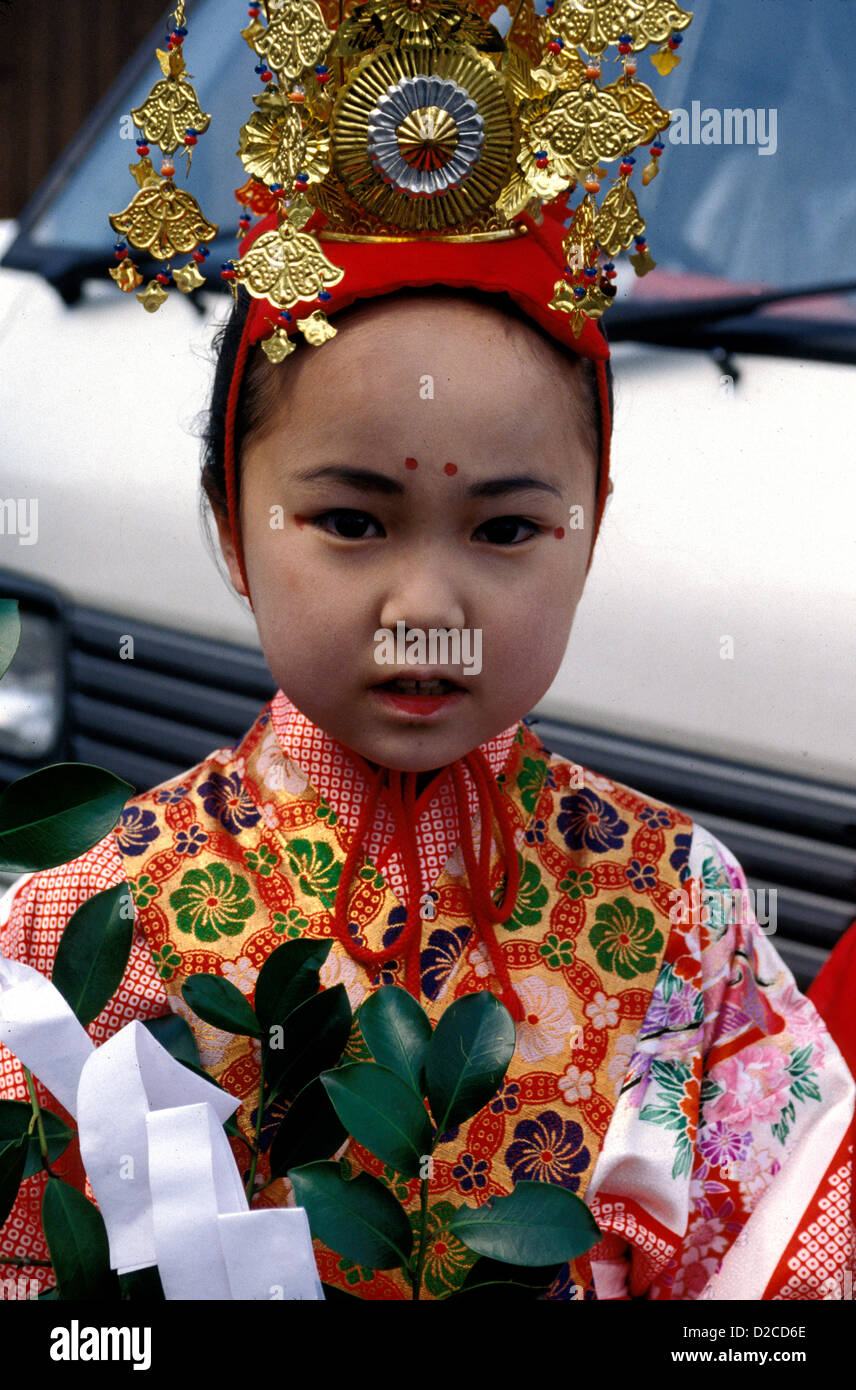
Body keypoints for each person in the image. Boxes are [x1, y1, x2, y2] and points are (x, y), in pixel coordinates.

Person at [1, 0, 853, 1302]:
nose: (425, 603)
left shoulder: (683, 907)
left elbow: (781, 1263)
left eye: (506, 526)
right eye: (350, 520)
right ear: (232, 523)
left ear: (591, 529)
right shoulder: (96, 915)